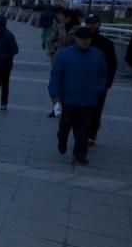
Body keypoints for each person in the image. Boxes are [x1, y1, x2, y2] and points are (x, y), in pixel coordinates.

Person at [48, 26, 107, 165]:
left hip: (89, 100)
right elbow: (55, 76)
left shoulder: (98, 55)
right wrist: (55, 95)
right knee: (65, 124)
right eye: (82, 39)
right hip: (68, 99)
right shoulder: (65, 54)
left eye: (87, 39)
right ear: (76, 39)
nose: (84, 42)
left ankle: (80, 154)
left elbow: (103, 75)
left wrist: (99, 89)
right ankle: (62, 139)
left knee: (84, 129)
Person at [85, 13, 118, 146]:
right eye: (89, 23)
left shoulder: (106, 43)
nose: (91, 26)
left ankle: (91, 135)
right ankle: (82, 132)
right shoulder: (79, 40)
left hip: (99, 83)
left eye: (94, 23)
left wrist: (108, 82)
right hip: (81, 82)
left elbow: (112, 64)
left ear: (99, 24)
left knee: (96, 109)